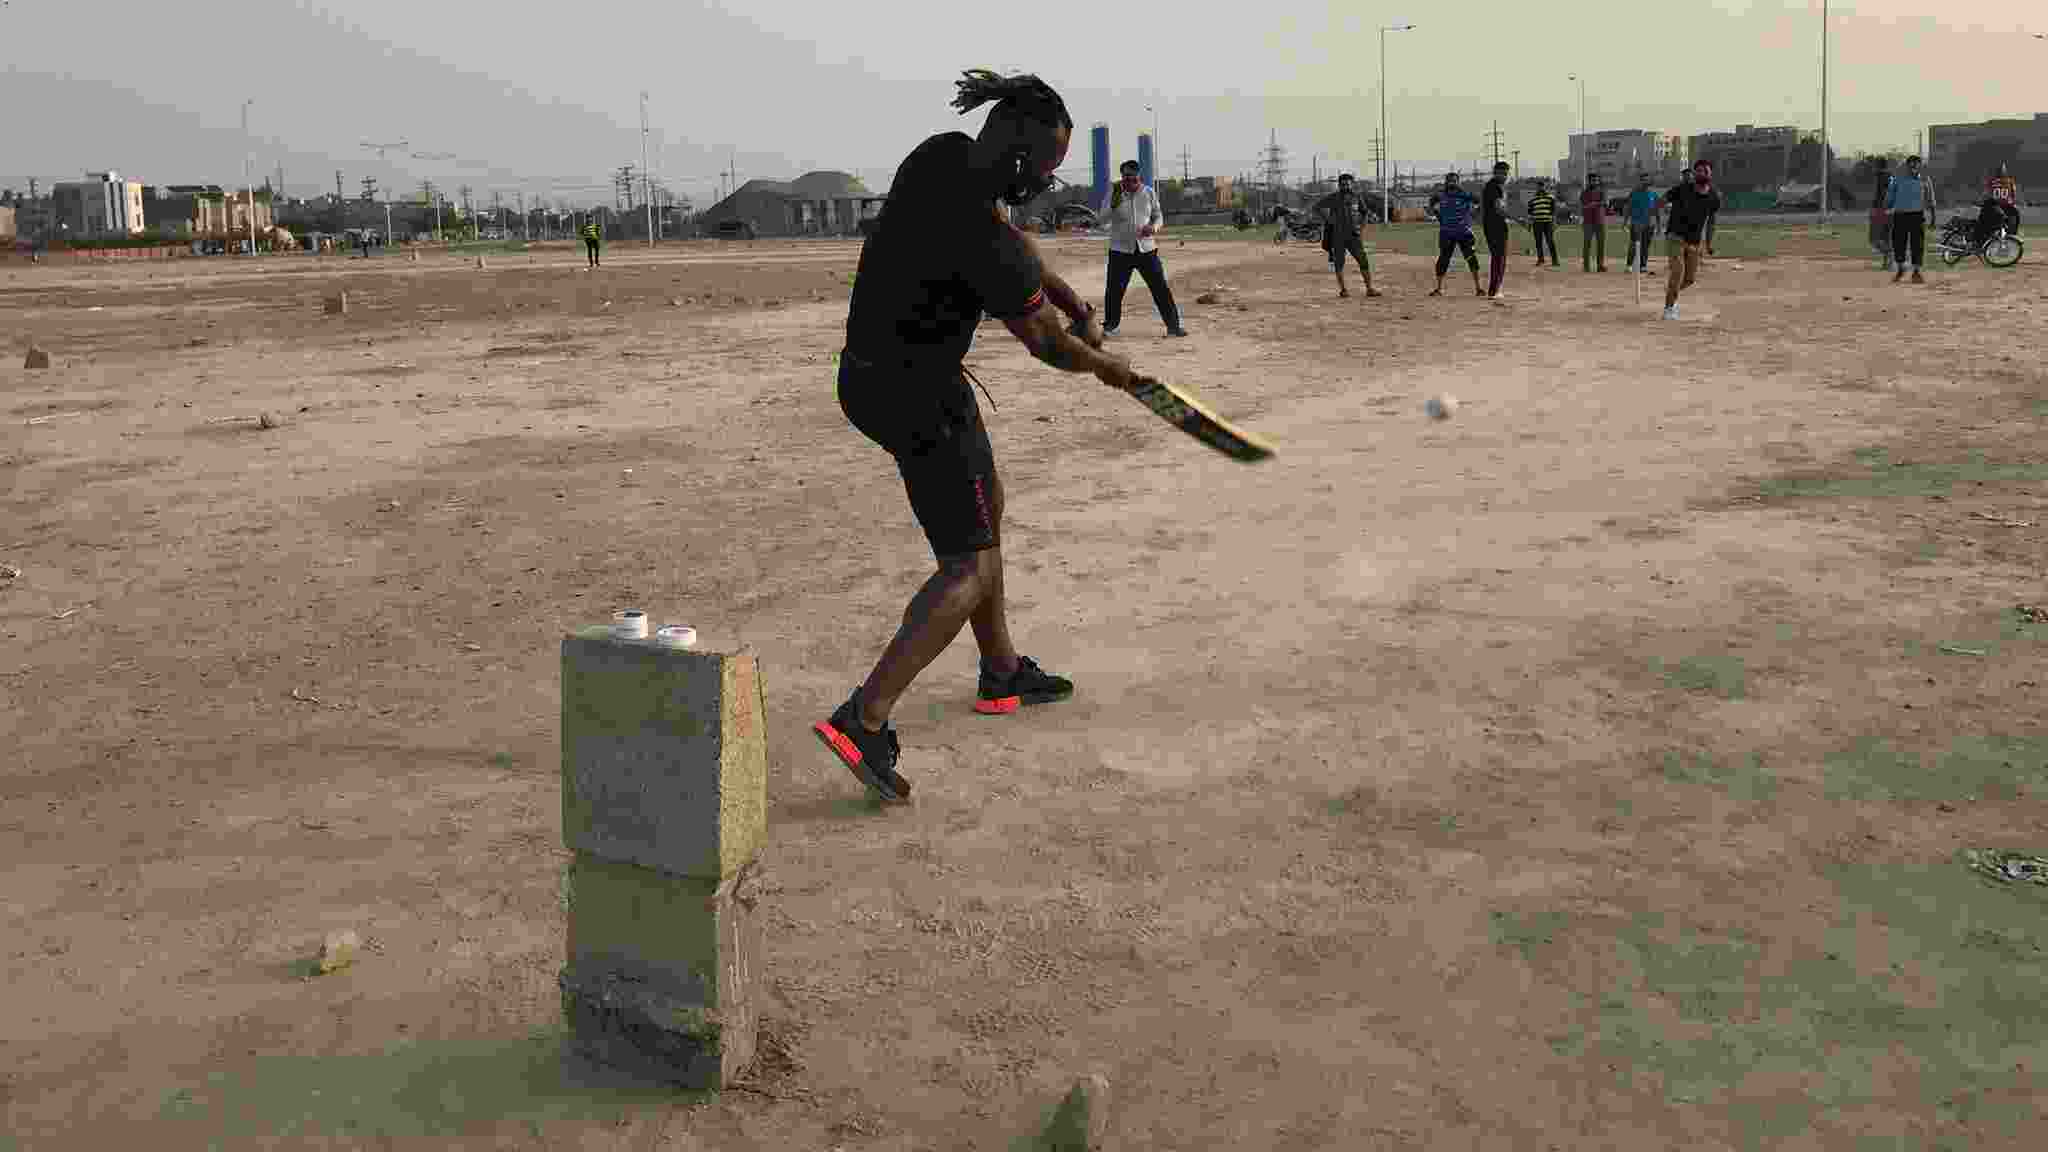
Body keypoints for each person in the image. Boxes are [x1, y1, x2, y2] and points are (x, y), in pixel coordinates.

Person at [814, 69, 1134, 803]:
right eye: (1047, 167)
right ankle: (864, 717)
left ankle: (1000, 669)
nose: (1047, 182)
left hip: (865, 377)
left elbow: (1020, 248)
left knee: (988, 499)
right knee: (969, 566)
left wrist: (1072, 298)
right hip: (922, 396)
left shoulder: (939, 156)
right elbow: (1048, 346)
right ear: (1019, 149)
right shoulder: (985, 237)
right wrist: (1106, 366)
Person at [1097, 159, 1188, 336]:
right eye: (1126, 179)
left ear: (1139, 177)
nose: (1130, 183)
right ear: (1122, 178)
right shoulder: (1114, 193)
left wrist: (1153, 228)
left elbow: (1158, 216)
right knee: (1114, 291)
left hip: (1146, 250)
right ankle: (1110, 327)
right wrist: (1113, 206)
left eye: (1133, 179)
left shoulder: (1148, 193)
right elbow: (1102, 220)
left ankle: (1173, 326)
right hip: (1120, 251)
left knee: (1160, 288)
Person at [1661, 159, 1721, 320]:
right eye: (1699, 170)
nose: (1702, 173)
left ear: (1710, 174)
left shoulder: (1713, 197)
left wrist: (1708, 243)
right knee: (1678, 271)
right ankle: (1669, 308)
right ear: (1694, 174)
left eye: (1706, 171)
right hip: (1675, 236)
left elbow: (1711, 222)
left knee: (1689, 279)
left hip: (1694, 242)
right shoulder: (1682, 189)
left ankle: (1671, 291)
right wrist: (1656, 218)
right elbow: (1662, 200)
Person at [1314, 173, 1380, 298]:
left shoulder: (1357, 197)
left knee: (1363, 261)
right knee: (1339, 263)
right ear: (1339, 185)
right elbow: (1317, 207)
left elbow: (1365, 212)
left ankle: (1369, 289)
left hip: (1354, 236)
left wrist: (1361, 227)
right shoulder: (1333, 197)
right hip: (1338, 236)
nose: (1346, 186)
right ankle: (1343, 290)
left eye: (1348, 184)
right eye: (1343, 184)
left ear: (1352, 184)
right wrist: (1328, 219)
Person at [1429, 172, 1483, 297]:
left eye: (1454, 180)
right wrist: (1439, 216)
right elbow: (1432, 203)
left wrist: (1473, 216)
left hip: (1464, 232)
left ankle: (1478, 288)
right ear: (1446, 182)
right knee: (1443, 259)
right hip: (1446, 233)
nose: (1452, 183)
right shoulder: (1441, 196)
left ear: (1458, 182)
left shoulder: (1465, 195)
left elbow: (1479, 202)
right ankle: (1438, 288)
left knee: (1471, 258)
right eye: (1449, 181)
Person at [1884, 154, 1935, 284]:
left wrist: (1933, 218)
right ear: (1907, 166)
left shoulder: (1925, 179)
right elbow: (1889, 197)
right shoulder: (1897, 179)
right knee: (1898, 243)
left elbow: (1931, 200)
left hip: (1917, 216)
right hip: (1900, 215)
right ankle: (1901, 268)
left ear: (1919, 166)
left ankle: (1916, 272)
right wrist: (1887, 208)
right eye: (1911, 164)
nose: (1913, 167)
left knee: (1917, 244)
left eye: (1916, 164)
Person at [1481, 161, 1511, 300]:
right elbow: (1499, 208)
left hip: (1492, 225)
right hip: (1496, 226)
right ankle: (1494, 290)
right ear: (1496, 172)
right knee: (1499, 258)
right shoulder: (1494, 187)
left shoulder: (1495, 186)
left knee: (1498, 257)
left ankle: (1495, 289)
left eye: (1506, 173)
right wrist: (1517, 219)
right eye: (1502, 173)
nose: (1505, 176)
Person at [1977, 161, 2021, 246]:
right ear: (2005, 172)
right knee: (2015, 217)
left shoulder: (1992, 181)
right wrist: (2013, 201)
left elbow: (1985, 194)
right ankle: (2012, 235)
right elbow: (2014, 194)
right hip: (2007, 207)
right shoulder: (2010, 181)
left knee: (1986, 222)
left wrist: (1981, 201)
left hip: (1994, 206)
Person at [1625, 172, 1661, 274]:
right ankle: (1629, 265)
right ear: (1640, 181)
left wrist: (1658, 225)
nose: (1646, 181)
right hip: (1636, 223)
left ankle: (1643, 266)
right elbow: (1628, 208)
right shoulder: (1634, 193)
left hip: (1649, 224)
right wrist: (1625, 222)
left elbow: (1656, 210)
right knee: (1633, 245)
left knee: (1645, 246)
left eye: (1647, 179)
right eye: (1643, 180)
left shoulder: (1653, 194)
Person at [1525, 178, 1559, 267]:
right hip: (1537, 223)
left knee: (1550, 241)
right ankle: (1541, 259)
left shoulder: (1550, 198)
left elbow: (1553, 211)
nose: (1540, 188)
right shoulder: (1533, 199)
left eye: (1542, 187)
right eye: (1538, 187)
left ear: (1544, 187)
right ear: (1537, 188)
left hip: (1547, 223)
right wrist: (1529, 224)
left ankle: (1555, 260)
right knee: (1538, 242)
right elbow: (1530, 213)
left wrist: (1554, 223)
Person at [1580, 173, 1608, 271]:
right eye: (1593, 180)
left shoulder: (1601, 191)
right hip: (1588, 221)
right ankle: (1586, 266)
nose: (1595, 182)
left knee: (1601, 244)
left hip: (1600, 221)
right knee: (1587, 244)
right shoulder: (1584, 193)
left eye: (1596, 180)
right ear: (1589, 181)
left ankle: (1600, 265)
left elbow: (1605, 203)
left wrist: (1594, 204)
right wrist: (1582, 220)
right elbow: (1583, 206)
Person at [1869, 158, 1893, 269]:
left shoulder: (1880, 176)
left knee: (1874, 239)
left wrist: (1875, 208)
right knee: (1886, 237)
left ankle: (1889, 255)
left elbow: (1880, 193)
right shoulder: (1891, 176)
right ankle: (1887, 262)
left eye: (1875, 165)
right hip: (1891, 211)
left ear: (1879, 166)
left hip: (1881, 210)